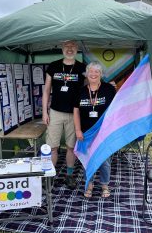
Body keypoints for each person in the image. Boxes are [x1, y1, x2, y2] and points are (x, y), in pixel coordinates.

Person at [42, 40, 86, 189]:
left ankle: (69, 175)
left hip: (74, 114)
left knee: (71, 147)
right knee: (52, 147)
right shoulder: (53, 66)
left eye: (73, 46)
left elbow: (90, 87)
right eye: (67, 46)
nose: (69, 49)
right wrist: (44, 112)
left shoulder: (82, 68)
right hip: (55, 112)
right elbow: (46, 90)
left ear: (77, 49)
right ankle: (50, 176)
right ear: (62, 48)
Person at [73, 61, 116, 198]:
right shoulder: (80, 91)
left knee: (104, 159)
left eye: (97, 71)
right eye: (91, 71)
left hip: (104, 131)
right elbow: (76, 112)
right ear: (87, 74)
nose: (93, 74)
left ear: (101, 74)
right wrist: (78, 130)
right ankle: (89, 184)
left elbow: (116, 107)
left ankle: (104, 185)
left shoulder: (109, 89)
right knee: (88, 159)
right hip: (86, 132)